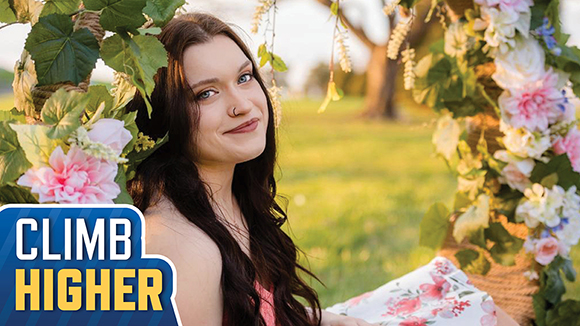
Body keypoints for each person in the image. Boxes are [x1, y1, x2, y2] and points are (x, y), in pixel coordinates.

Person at [126, 12, 519, 326]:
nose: (242, 104)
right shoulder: (180, 247)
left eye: (245, 78)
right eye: (206, 93)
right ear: (164, 114)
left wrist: (324, 319)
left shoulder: (226, 194)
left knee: (458, 296)